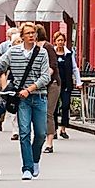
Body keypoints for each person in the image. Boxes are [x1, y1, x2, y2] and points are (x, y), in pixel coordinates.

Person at [0, 22, 52, 181]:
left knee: (41, 134)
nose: (31, 36)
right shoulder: (13, 52)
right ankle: (27, 168)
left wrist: (29, 89)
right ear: (22, 36)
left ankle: (35, 160)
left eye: (33, 33)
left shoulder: (42, 53)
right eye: (28, 33)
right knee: (24, 132)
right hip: (21, 100)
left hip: (38, 97)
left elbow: (45, 77)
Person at [49, 31, 81, 142]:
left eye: (62, 40)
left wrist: (78, 81)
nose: (60, 42)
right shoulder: (51, 53)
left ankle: (63, 128)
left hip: (66, 83)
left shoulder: (69, 54)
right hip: (54, 83)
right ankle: (54, 129)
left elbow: (74, 68)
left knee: (66, 105)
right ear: (55, 41)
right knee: (54, 107)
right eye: (58, 40)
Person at [36, 25, 62, 153]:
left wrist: (44, 78)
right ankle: (40, 138)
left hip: (52, 84)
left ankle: (49, 143)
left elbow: (53, 65)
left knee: (48, 113)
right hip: (37, 85)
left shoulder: (47, 47)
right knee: (39, 113)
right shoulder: (33, 48)